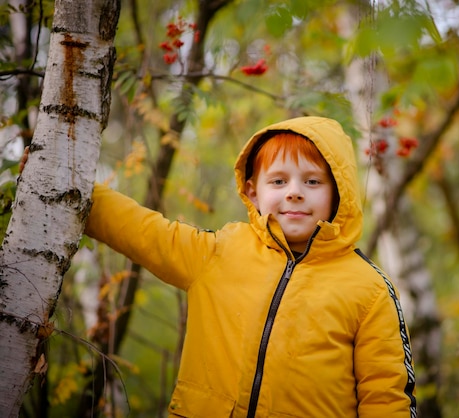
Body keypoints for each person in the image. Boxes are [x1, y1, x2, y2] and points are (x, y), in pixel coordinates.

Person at [26, 116, 417, 417]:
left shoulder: (368, 288)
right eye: (278, 181)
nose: (295, 191)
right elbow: (145, 232)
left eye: (313, 182)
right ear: (253, 191)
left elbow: (385, 393)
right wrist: (64, 181)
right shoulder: (221, 252)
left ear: (338, 194)